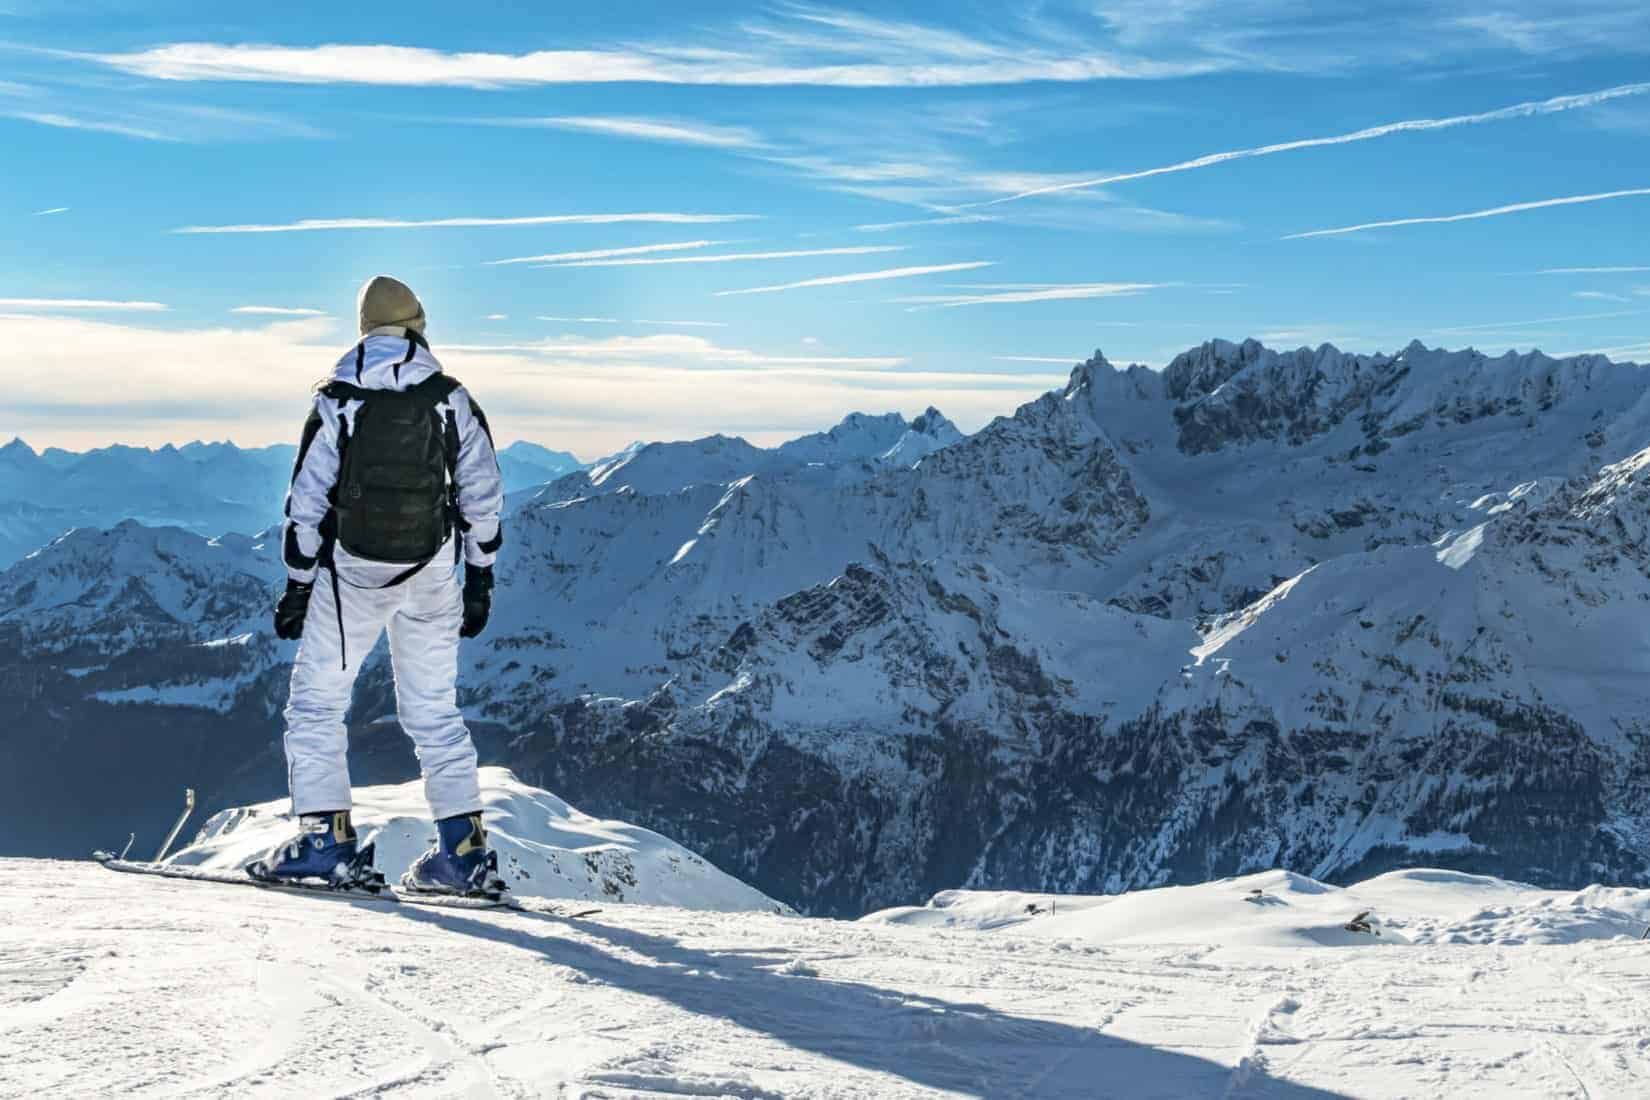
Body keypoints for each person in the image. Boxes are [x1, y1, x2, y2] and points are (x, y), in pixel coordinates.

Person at [248, 275, 506, 897]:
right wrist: (480, 576)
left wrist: (297, 584)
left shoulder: (338, 399)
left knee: (316, 705)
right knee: (433, 713)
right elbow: (482, 492)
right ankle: (464, 855)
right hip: (433, 571)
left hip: (352, 575)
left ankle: (326, 843)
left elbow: (305, 501)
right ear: (418, 325)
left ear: (363, 330)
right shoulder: (451, 399)